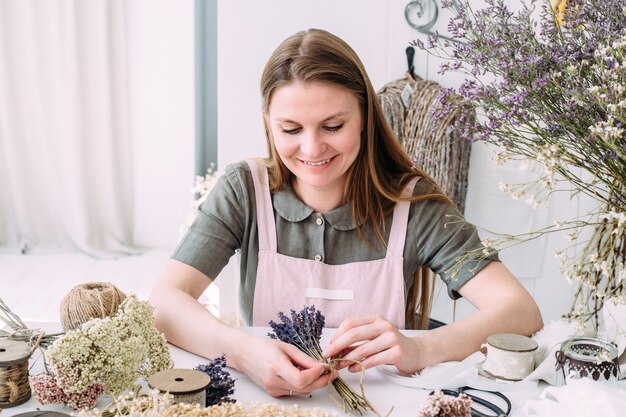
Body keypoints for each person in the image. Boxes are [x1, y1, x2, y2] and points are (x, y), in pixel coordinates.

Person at [149, 28, 543, 398]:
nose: (312, 148)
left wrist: (421, 349)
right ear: (269, 124)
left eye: (332, 126)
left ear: (365, 119)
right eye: (290, 129)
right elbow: (165, 301)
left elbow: (520, 312)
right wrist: (243, 351)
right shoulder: (244, 190)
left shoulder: (415, 204)